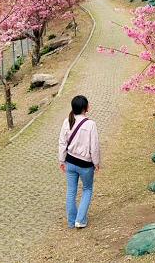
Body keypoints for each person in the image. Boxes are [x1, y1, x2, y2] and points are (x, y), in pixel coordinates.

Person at [58, 95, 100, 229]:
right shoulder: (90, 124)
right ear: (85, 108)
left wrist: (61, 160)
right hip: (85, 164)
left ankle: (71, 221)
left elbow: (62, 142)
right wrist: (96, 162)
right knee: (87, 189)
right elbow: (94, 146)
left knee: (71, 191)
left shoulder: (67, 121)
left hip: (70, 161)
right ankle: (80, 220)